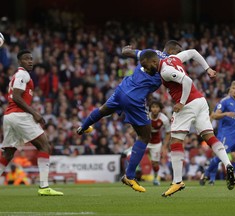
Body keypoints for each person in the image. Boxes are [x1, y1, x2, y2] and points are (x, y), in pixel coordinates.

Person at [77, 40, 183, 193]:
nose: (179, 56)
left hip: (122, 88)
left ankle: (83, 127)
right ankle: (129, 176)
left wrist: (126, 49)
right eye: (178, 52)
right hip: (134, 98)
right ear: (172, 50)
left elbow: (126, 52)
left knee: (103, 110)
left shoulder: (149, 53)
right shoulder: (168, 64)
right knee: (144, 136)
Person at [140, 50, 235, 197]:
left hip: (187, 104)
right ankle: (228, 164)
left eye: (146, 66)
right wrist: (207, 68)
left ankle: (177, 181)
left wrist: (181, 102)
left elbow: (187, 81)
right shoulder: (172, 58)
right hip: (201, 101)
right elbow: (192, 52)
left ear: (153, 62)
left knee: (176, 140)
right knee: (209, 136)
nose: (146, 70)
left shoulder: (165, 71)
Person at [0, 50, 63, 196]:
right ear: (20, 62)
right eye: (26, 59)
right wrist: (34, 113)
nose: (30, 61)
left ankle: (44, 186)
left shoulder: (18, 75)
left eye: (31, 59)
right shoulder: (23, 74)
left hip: (9, 116)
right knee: (45, 145)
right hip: (19, 116)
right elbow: (16, 97)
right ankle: (44, 186)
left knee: (8, 153)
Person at [200, 81, 235, 186]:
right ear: (230, 90)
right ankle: (206, 174)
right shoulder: (224, 102)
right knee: (220, 156)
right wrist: (226, 114)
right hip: (226, 133)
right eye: (233, 88)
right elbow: (214, 115)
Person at [147, 100, 171, 186]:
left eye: (157, 107)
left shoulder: (164, 119)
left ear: (160, 109)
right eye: (153, 107)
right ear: (150, 108)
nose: (155, 109)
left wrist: (164, 146)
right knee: (135, 157)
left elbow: (168, 132)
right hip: (144, 140)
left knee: (155, 163)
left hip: (156, 143)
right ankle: (130, 177)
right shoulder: (146, 116)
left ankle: (155, 178)